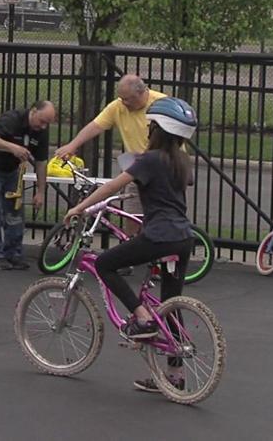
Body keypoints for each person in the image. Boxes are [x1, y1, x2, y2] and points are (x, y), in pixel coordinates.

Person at [63, 97, 198, 394]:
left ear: (158, 130)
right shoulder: (180, 160)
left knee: (104, 264)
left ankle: (141, 317)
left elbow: (113, 185)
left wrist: (80, 208)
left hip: (158, 236)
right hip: (183, 237)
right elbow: (167, 186)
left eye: (151, 125)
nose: (148, 129)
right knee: (171, 304)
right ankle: (175, 376)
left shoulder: (149, 160)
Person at [56, 74, 167, 236]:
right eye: (121, 98)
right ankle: (131, 251)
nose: (124, 102)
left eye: (127, 99)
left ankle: (162, 254)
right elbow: (95, 126)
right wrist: (73, 145)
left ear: (142, 93)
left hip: (162, 169)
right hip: (137, 168)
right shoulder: (118, 107)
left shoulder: (161, 104)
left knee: (160, 218)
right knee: (133, 215)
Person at [0, 100, 56, 270]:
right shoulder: (12, 119)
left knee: (14, 213)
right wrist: (12, 147)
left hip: (12, 171)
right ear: (33, 111)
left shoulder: (41, 132)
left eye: (47, 124)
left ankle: (13, 253)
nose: (43, 127)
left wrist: (41, 191)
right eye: (42, 121)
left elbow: (41, 162)